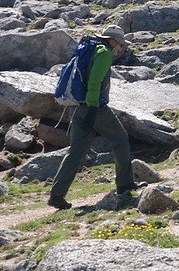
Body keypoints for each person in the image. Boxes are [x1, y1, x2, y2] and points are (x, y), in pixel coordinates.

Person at [48, 25, 145, 210]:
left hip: (76, 107)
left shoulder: (87, 47)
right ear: (113, 41)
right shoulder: (103, 52)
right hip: (94, 107)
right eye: (121, 44)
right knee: (120, 139)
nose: (121, 48)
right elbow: (95, 82)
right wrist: (93, 108)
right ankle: (124, 184)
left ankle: (56, 194)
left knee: (76, 151)